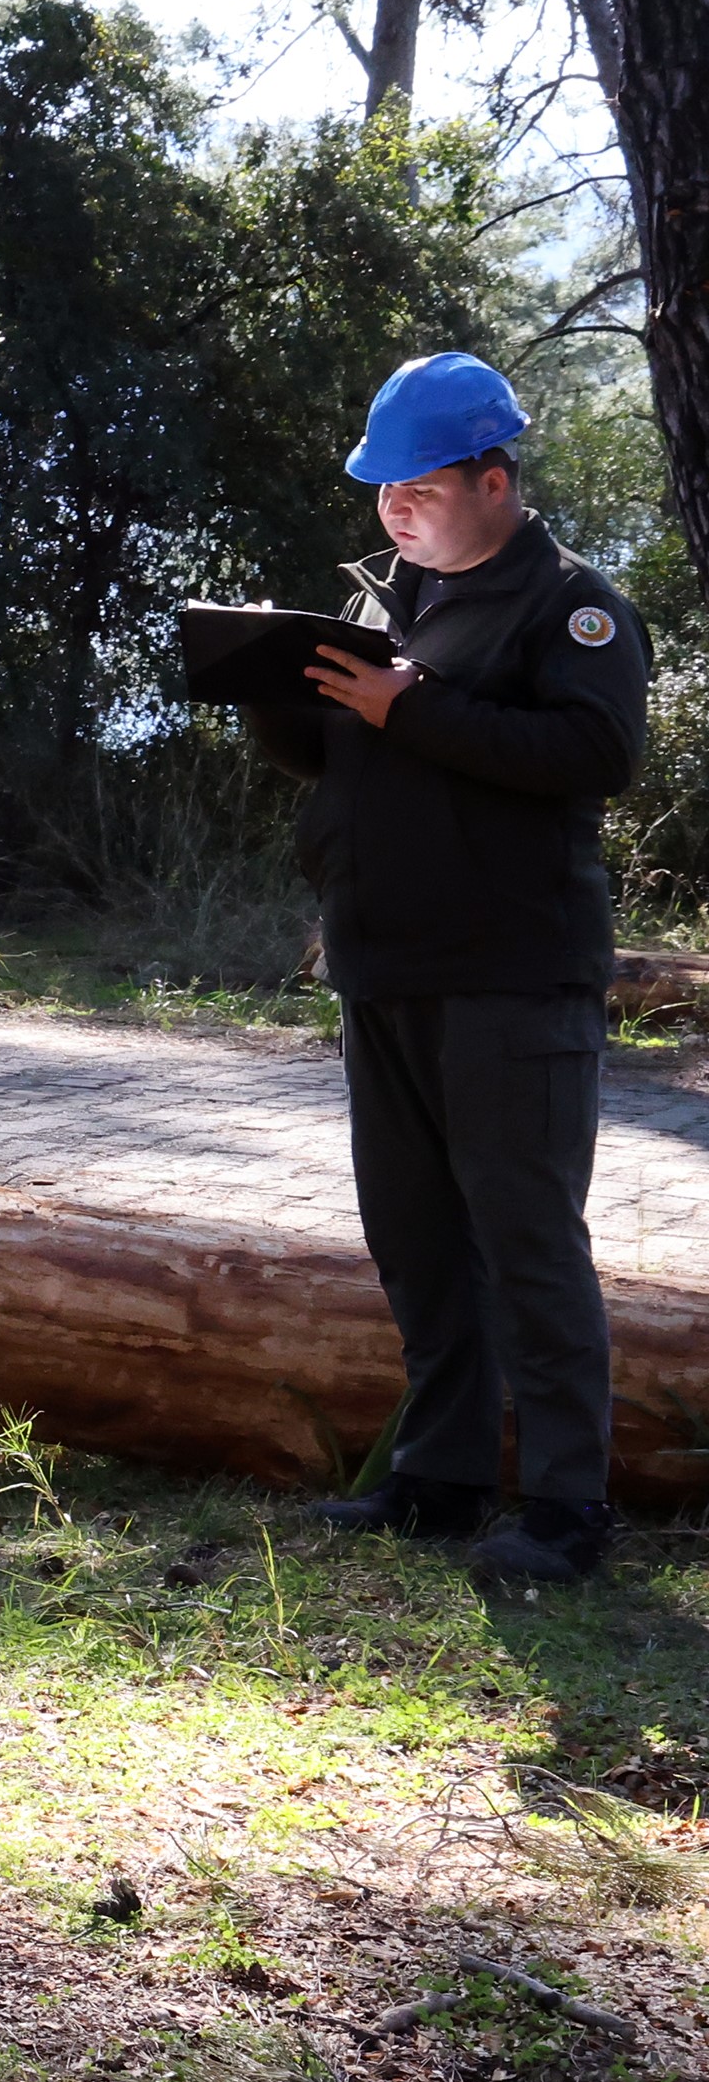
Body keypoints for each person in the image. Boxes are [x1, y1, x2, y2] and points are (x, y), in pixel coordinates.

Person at [243, 351, 645, 1586]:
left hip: (509, 977)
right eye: (381, 491)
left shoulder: (571, 605)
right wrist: (272, 696)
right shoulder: (395, 604)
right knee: (415, 1237)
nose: (396, 510)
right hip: (384, 966)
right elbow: (359, 759)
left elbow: (592, 752)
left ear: (492, 478)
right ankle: (440, 1479)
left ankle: (568, 1509)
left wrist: (403, 709)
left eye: (418, 487)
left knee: (526, 1239)